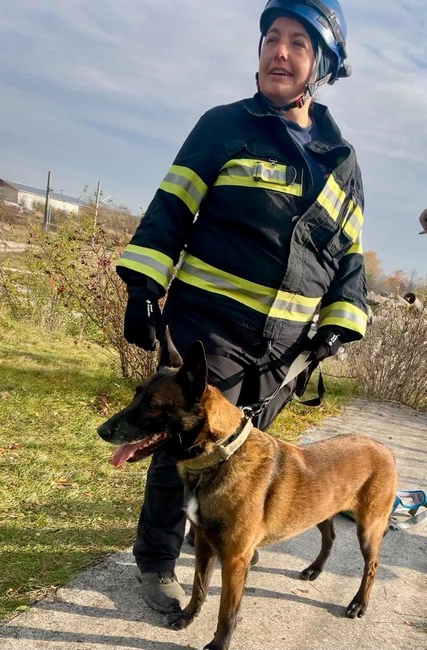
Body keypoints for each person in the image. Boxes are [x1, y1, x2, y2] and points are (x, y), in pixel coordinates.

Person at [116, 0, 368, 614]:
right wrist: (143, 283)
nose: (279, 51)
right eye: (271, 38)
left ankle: (218, 534)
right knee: (182, 446)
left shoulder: (342, 162)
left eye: (299, 43)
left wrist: (338, 325)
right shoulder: (225, 126)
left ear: (322, 66)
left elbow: (350, 259)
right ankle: (157, 560)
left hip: (284, 349)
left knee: (242, 459)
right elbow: (173, 204)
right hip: (212, 329)